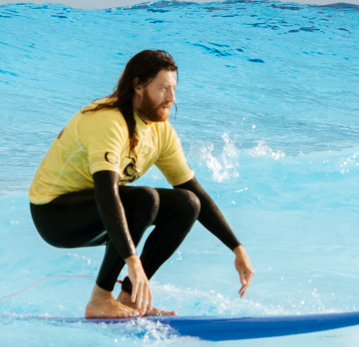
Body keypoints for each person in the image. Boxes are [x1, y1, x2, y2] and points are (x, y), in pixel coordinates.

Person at [28, 49, 254, 319]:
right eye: (163, 89)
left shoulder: (161, 131)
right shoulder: (108, 121)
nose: (171, 98)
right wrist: (132, 261)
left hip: (96, 212)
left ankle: (130, 298)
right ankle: (100, 299)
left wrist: (236, 248)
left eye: (174, 89)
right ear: (138, 86)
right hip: (54, 215)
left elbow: (195, 193)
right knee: (144, 200)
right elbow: (107, 195)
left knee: (186, 204)